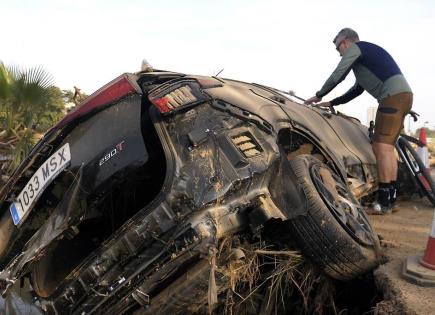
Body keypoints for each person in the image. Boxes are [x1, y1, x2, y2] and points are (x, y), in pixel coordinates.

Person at [305, 28, 413, 214]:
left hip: (392, 97)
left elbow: (339, 74)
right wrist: (331, 102)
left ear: (346, 42)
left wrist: (318, 95)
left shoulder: (357, 48)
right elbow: (356, 90)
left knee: (381, 148)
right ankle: (390, 199)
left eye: (338, 47)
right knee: (388, 148)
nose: (339, 52)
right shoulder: (365, 60)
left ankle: (383, 202)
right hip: (403, 96)